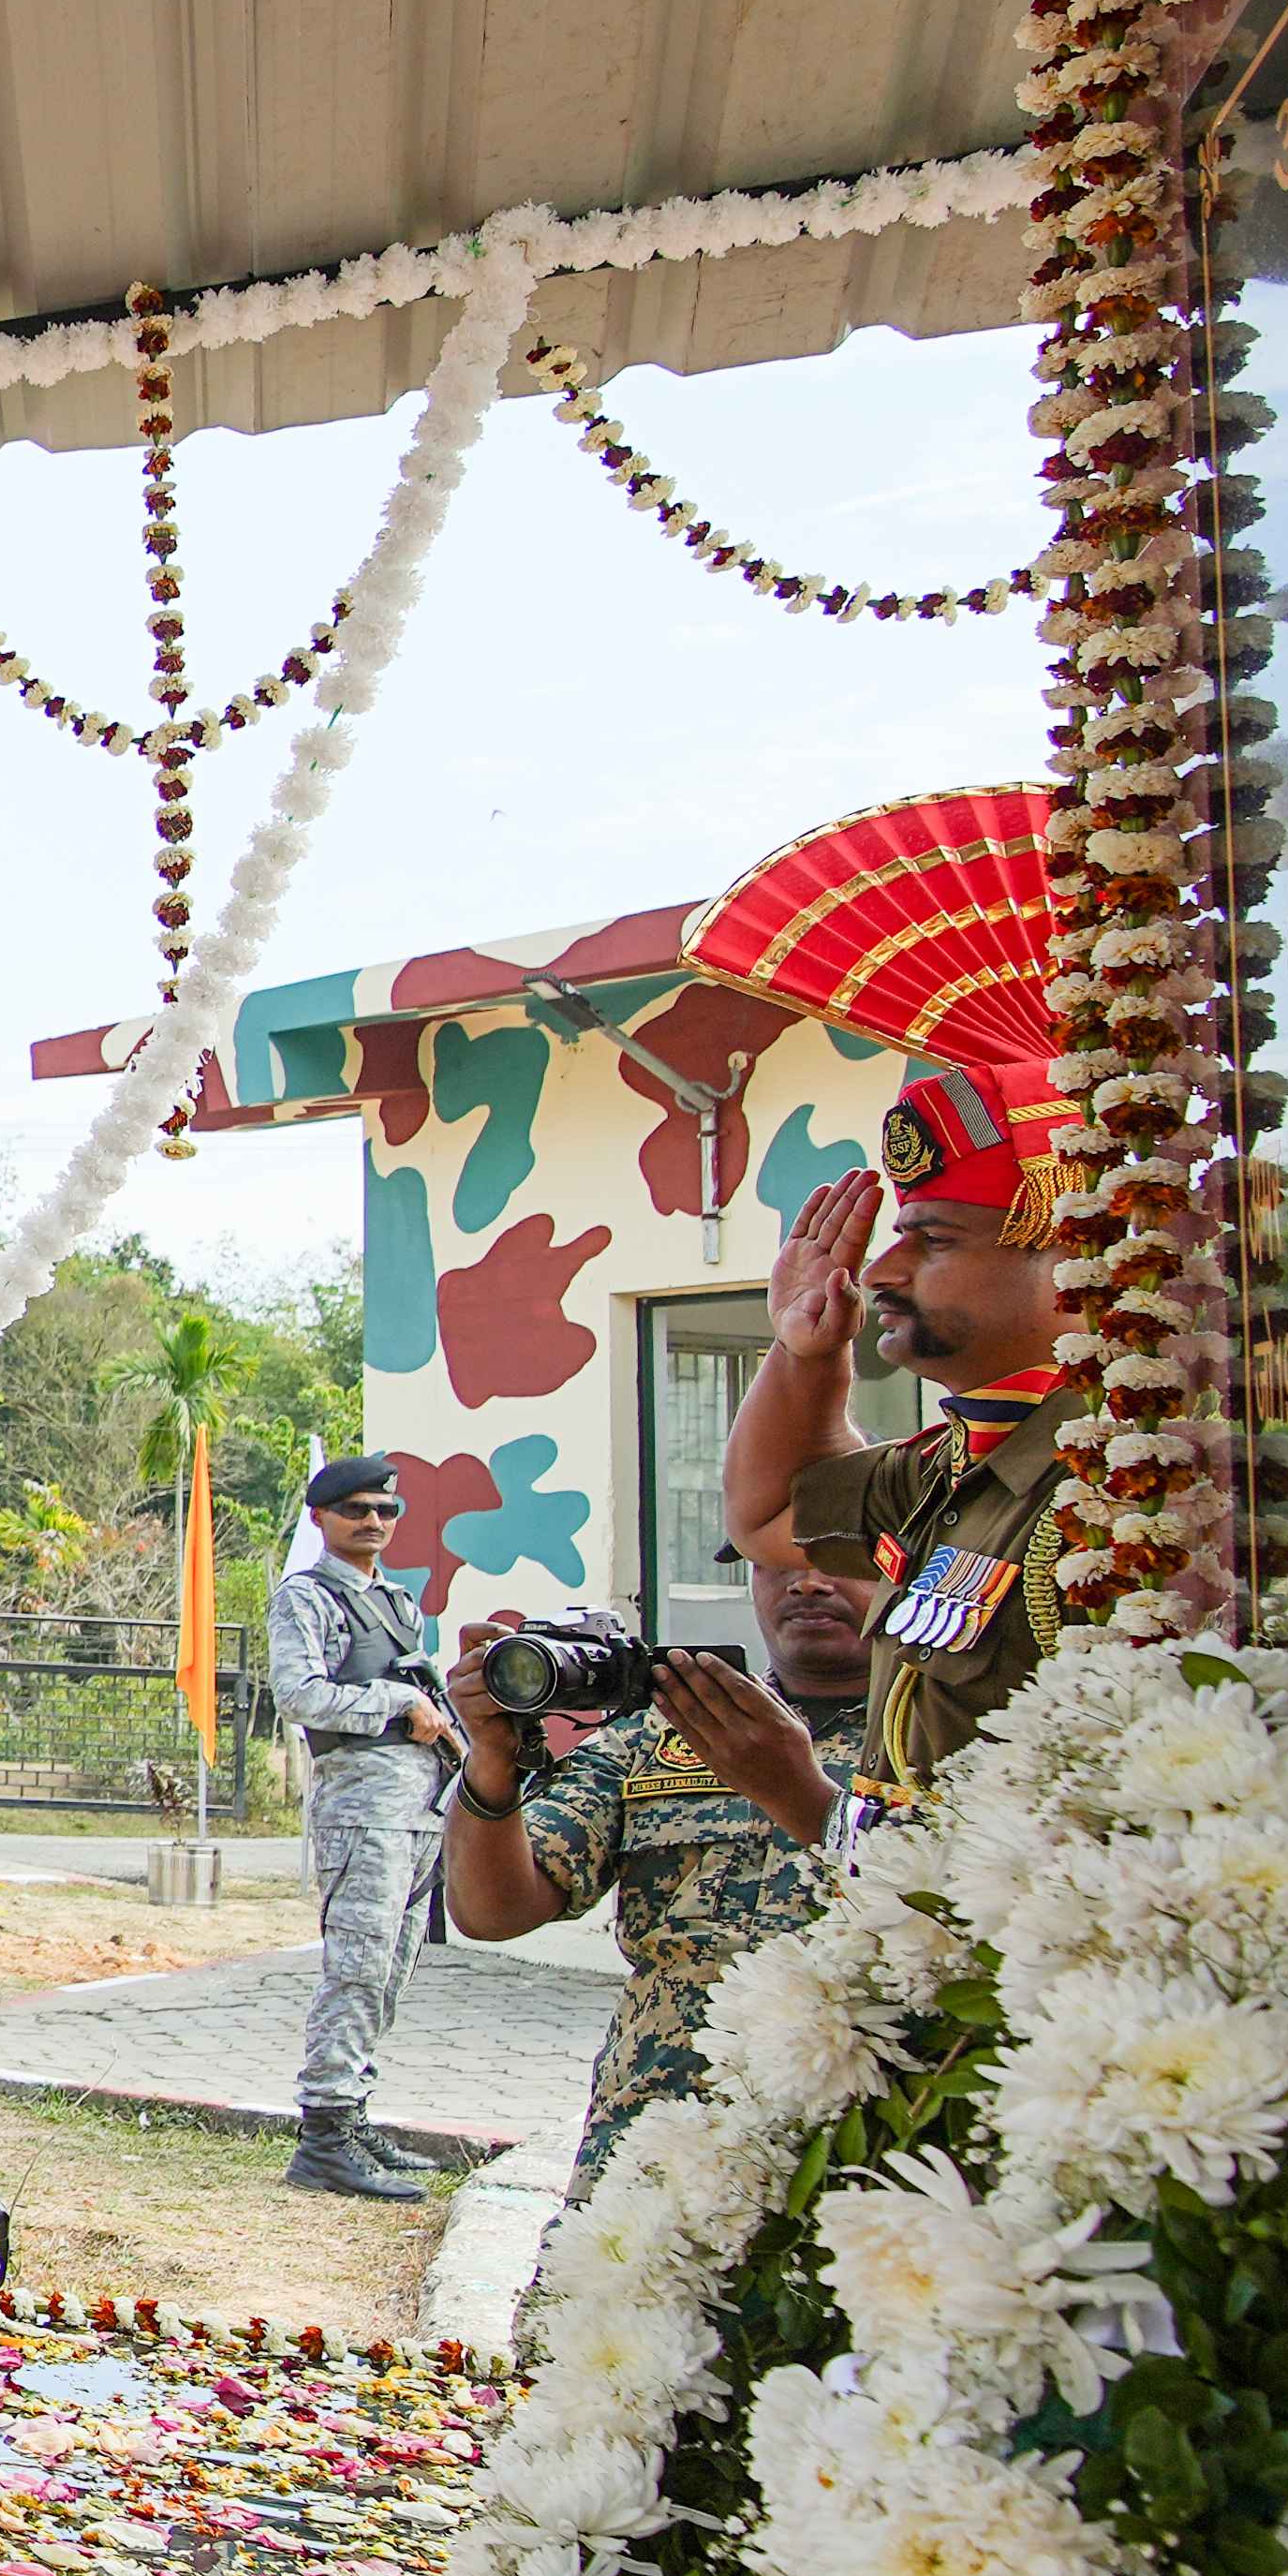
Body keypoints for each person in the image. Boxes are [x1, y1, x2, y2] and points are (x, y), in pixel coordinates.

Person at [688, 788, 1083, 1816]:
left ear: (1070, 1253)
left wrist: (800, 1797)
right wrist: (806, 1352)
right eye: (897, 1234)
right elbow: (769, 1512)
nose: (883, 1271)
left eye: (933, 1239)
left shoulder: (1125, 1480)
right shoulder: (956, 1463)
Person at [439, 1560, 873, 2197]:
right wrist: (492, 1758)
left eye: (834, 1556)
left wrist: (807, 1797)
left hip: (858, 2155)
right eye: (777, 1565)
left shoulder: (942, 1736)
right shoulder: (663, 1729)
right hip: (653, 2150)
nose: (806, 1582)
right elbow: (491, 1910)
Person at [261, 1454, 454, 2204]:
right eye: (355, 1511)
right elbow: (299, 1694)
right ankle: (324, 2135)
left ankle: (353, 2110)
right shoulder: (307, 1598)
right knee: (357, 1967)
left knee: (392, 1969)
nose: (372, 1522)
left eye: (385, 1511)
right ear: (320, 1519)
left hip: (418, 1805)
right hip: (361, 1805)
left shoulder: (399, 1602)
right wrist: (393, 1702)